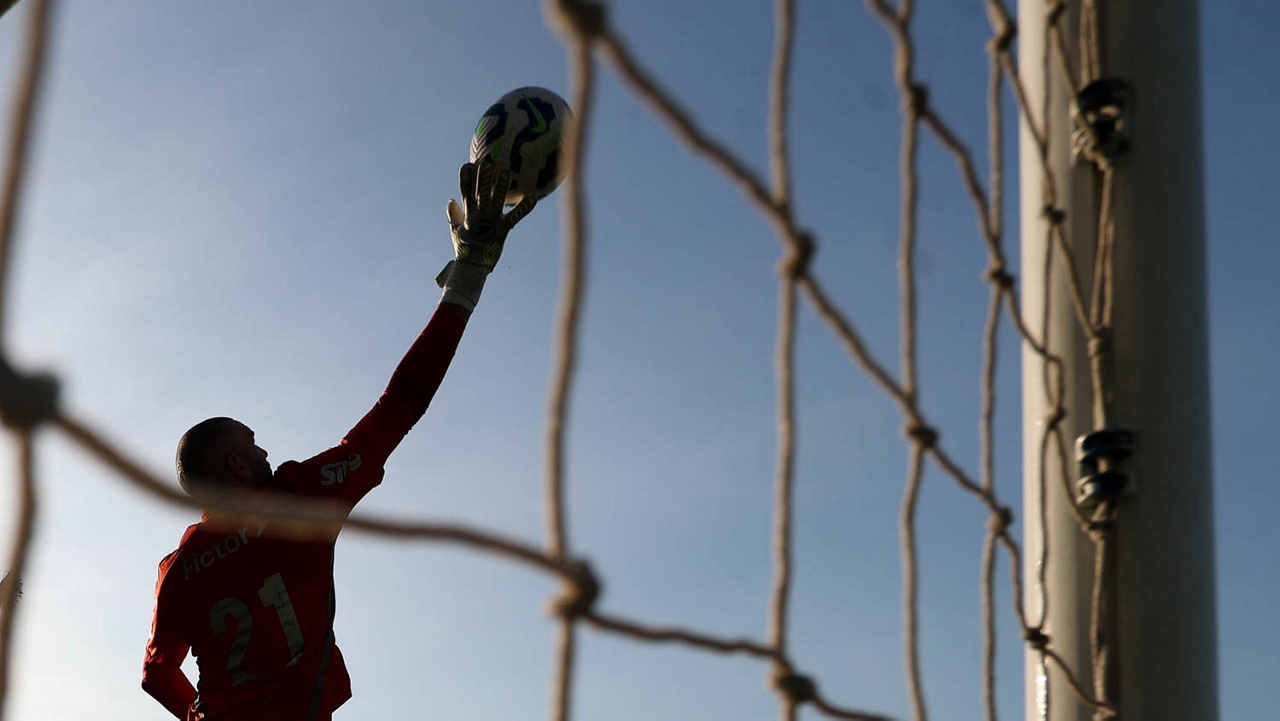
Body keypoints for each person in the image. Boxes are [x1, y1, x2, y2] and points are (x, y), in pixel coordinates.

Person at [141, 158, 536, 721]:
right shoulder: (298, 501)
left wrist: (196, 715)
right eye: (253, 444)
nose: (266, 451)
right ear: (236, 467)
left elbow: (156, 673)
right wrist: (469, 277)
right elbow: (400, 404)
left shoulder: (178, 571)